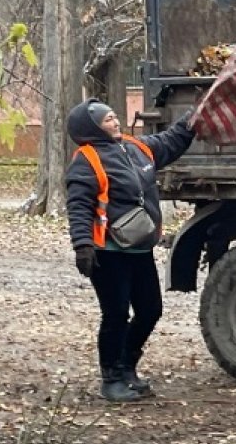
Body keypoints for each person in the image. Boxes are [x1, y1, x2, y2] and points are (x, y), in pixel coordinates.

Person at [65, 99, 195, 402]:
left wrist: (192, 119)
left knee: (151, 310)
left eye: (114, 117)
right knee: (116, 314)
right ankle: (111, 379)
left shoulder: (136, 148)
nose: (115, 122)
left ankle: (127, 366)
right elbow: (79, 206)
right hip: (107, 252)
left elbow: (170, 142)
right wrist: (82, 245)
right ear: (93, 127)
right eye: (108, 119)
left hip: (139, 249)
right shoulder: (87, 159)